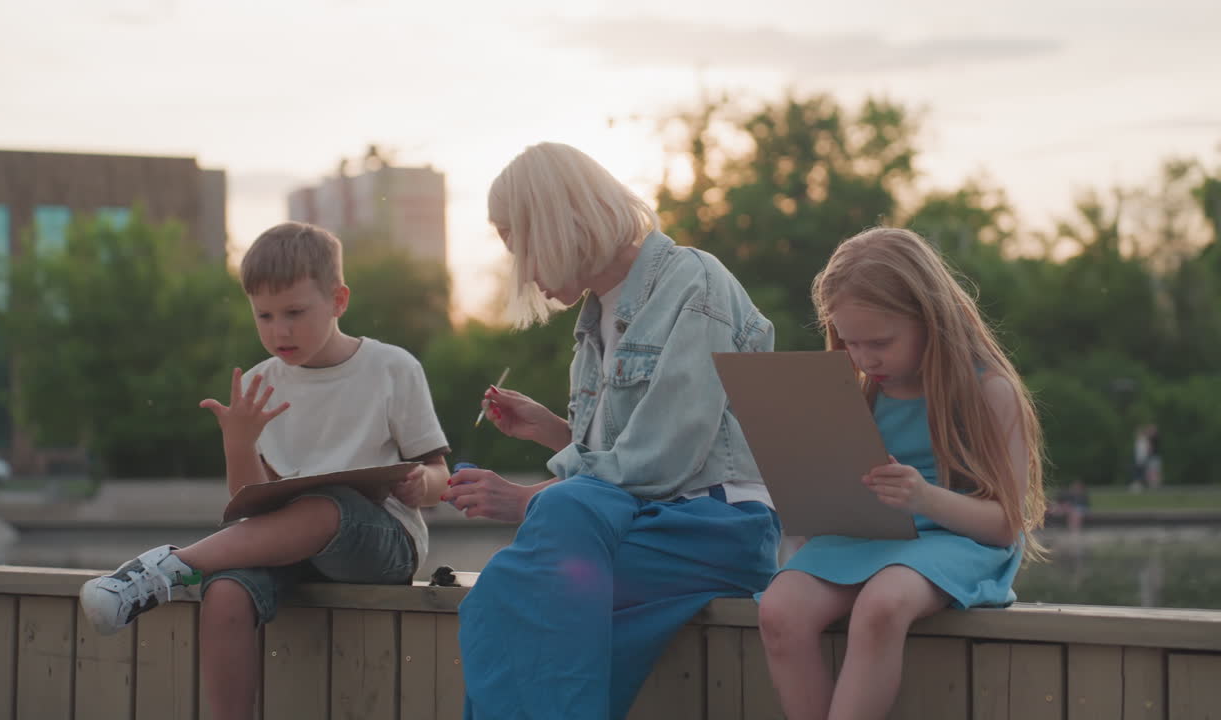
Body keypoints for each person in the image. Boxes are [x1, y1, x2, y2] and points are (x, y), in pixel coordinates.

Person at [442, 142, 781, 719]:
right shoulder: (594, 322)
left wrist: (527, 500)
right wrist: (555, 431)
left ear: (555, 224)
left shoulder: (694, 281)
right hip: (635, 531)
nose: (518, 268)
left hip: (715, 526)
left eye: (515, 244)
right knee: (501, 596)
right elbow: (619, 465)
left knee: (537, 564)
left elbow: (663, 460)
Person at [78, 222, 451, 720]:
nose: (280, 330)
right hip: (290, 541)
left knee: (326, 506)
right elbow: (250, 505)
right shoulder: (258, 382)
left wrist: (421, 483)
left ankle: (165, 569)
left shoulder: (392, 368)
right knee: (227, 590)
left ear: (338, 300)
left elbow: (440, 475)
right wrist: (239, 441)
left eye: (296, 312)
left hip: (382, 542)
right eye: (265, 315)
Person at [757, 227, 1046, 720]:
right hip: (868, 539)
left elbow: (1005, 526)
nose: (865, 359)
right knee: (779, 609)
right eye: (850, 343)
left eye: (880, 343)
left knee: (882, 604)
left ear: (930, 320)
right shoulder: (859, 393)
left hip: (958, 540)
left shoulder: (988, 393)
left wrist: (925, 498)